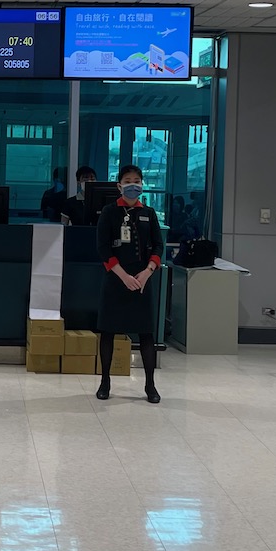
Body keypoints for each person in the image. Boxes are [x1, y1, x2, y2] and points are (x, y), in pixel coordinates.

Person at [95, 165, 163, 404]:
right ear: (119, 185)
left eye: (137, 181)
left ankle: (150, 385)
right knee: (108, 331)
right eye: (128, 181)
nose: (133, 185)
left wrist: (147, 272)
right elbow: (103, 248)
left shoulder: (150, 213)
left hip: (143, 280)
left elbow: (158, 247)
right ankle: (105, 382)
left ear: (142, 185)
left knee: (145, 333)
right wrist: (123, 276)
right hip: (116, 279)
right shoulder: (109, 212)